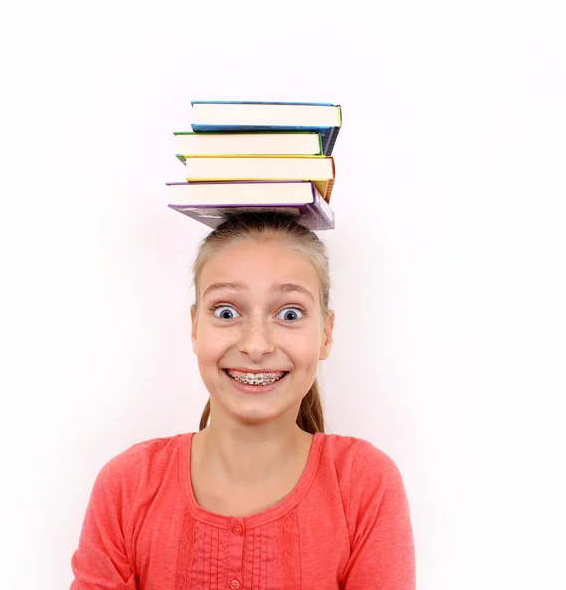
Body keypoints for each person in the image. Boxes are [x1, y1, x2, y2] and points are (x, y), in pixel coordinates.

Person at [70, 211, 416, 589]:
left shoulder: (363, 484)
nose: (255, 344)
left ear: (326, 334)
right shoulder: (127, 485)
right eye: (226, 312)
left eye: (289, 313)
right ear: (195, 327)